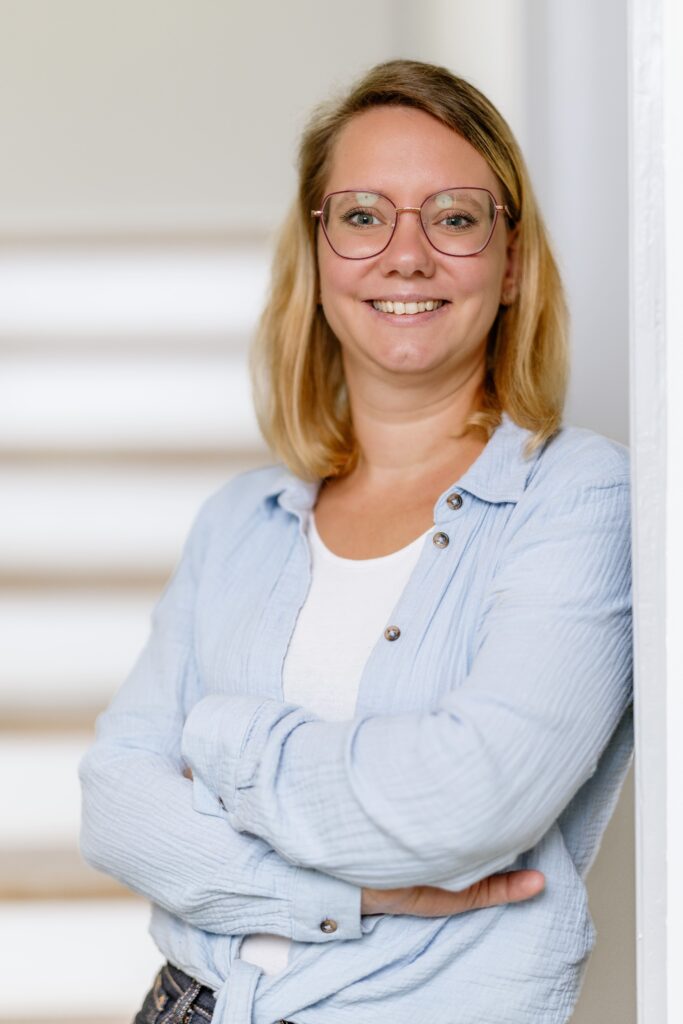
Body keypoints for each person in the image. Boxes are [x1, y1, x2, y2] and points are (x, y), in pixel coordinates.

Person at [78, 58, 633, 1024]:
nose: (405, 255)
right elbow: (116, 805)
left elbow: (464, 803)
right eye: (363, 215)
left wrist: (215, 741)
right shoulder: (240, 520)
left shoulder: (580, 497)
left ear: (510, 265)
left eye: (454, 217)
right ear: (320, 254)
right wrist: (353, 894)